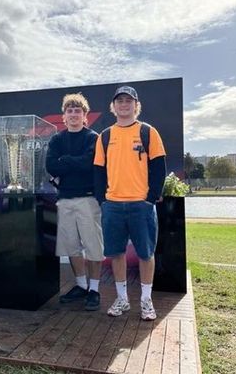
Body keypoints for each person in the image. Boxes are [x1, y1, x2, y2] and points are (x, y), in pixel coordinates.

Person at [94, 85, 166, 321]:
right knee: (116, 253)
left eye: (128, 101)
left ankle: (146, 300)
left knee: (146, 254)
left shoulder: (148, 132)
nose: (124, 105)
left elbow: (158, 168)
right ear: (113, 107)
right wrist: (102, 200)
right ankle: (122, 299)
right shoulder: (105, 136)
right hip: (113, 206)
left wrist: (150, 198)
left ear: (136, 105)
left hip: (141, 205)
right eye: (120, 101)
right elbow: (98, 171)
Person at [46, 93, 104, 311]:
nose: (73, 115)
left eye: (77, 111)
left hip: (88, 198)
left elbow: (89, 163)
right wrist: (74, 162)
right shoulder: (56, 139)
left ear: (85, 115)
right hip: (65, 199)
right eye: (69, 111)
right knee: (71, 247)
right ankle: (81, 285)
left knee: (93, 247)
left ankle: (95, 290)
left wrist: (66, 161)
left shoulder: (93, 138)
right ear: (64, 115)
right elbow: (51, 166)